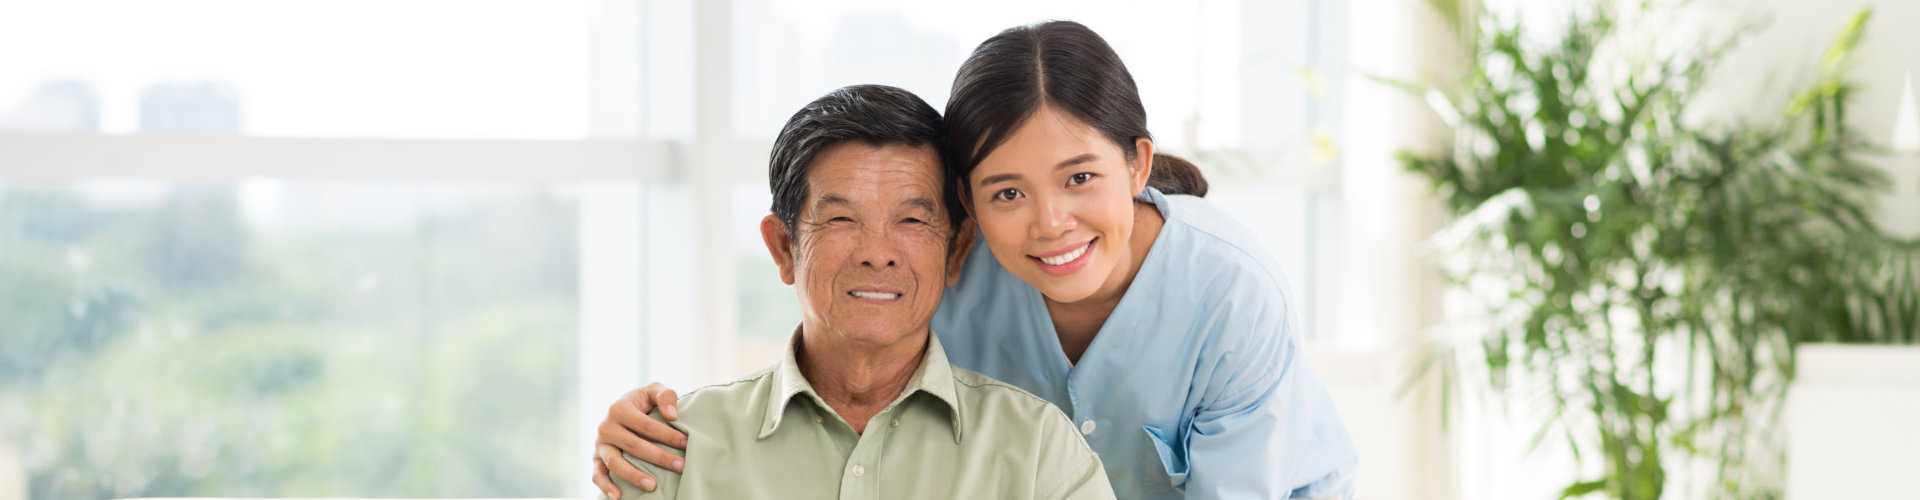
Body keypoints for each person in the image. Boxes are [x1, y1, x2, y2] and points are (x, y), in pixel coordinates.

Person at [595, 21, 1358, 499]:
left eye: (1080, 178)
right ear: (968, 210)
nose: (1050, 223)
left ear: (1137, 164)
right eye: (1006, 192)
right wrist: (647, 425)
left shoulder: (1228, 289)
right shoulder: (951, 266)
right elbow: (844, 335)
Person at [598, 84, 1115, 500]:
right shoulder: (671, 451)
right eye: (842, 218)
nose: (877, 252)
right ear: (783, 248)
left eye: (912, 220)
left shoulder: (1038, 450)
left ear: (956, 251)